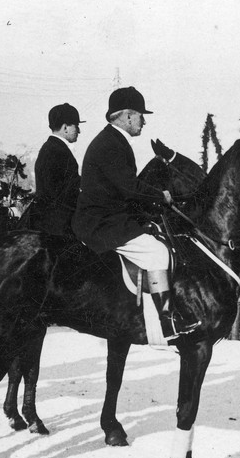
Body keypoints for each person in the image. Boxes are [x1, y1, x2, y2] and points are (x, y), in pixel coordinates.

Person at [72, 86, 197, 339]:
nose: (144, 121)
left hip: (109, 217)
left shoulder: (113, 140)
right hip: (102, 222)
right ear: (127, 116)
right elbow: (129, 187)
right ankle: (167, 321)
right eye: (141, 115)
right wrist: (160, 196)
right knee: (158, 252)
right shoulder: (111, 144)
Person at [27, 103, 84, 236]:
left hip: (49, 221)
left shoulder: (50, 148)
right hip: (58, 225)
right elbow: (66, 192)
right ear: (65, 127)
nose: (79, 131)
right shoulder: (58, 151)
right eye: (76, 125)